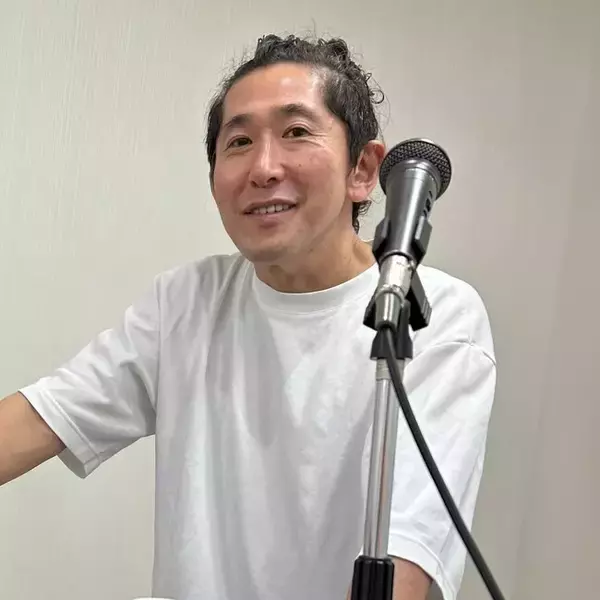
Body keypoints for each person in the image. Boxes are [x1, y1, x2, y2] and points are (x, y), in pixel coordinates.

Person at [0, 34, 496, 600]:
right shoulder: (187, 302)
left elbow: (407, 559)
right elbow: (40, 419)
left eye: (296, 132)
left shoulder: (434, 316)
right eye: (238, 142)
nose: (263, 168)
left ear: (363, 169)